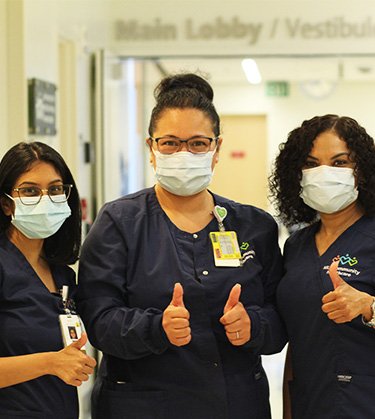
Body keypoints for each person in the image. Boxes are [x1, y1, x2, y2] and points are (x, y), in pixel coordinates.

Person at [77, 73, 286, 419]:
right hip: (143, 406)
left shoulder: (254, 226)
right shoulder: (119, 223)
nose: (184, 153)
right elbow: (98, 319)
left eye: (198, 143)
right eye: (170, 143)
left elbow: (282, 317)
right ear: (151, 149)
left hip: (235, 403)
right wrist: (156, 328)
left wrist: (254, 325)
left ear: (217, 149)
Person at [269, 114, 375, 419]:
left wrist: (369, 307)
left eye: (339, 162)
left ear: (363, 170)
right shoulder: (297, 245)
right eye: (312, 163)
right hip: (310, 400)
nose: (324, 173)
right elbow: (299, 335)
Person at [0, 142, 96, 418]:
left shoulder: (62, 275)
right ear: (7, 204)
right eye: (30, 191)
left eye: (55, 189)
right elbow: (55, 362)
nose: (45, 199)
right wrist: (50, 363)